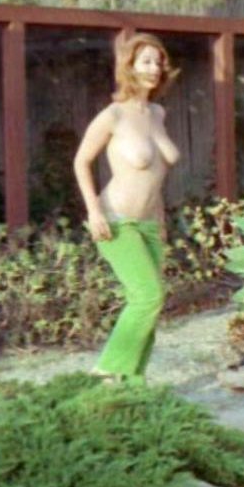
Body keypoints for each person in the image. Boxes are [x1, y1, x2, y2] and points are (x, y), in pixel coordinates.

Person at [73, 33, 181, 385]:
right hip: (116, 221)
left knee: (148, 305)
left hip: (149, 224)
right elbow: (81, 161)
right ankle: (105, 372)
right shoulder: (113, 115)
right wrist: (93, 212)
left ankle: (133, 384)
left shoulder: (158, 113)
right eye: (145, 61)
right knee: (149, 297)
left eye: (158, 62)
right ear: (129, 66)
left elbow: (156, 175)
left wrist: (160, 221)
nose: (154, 68)